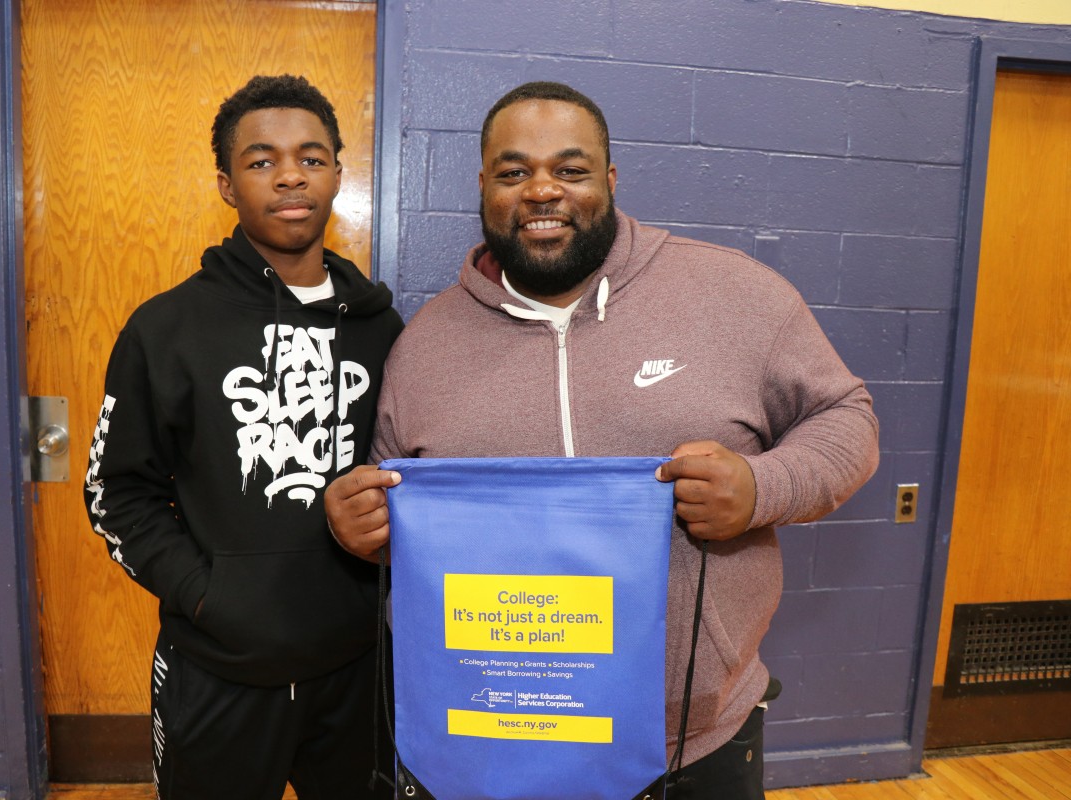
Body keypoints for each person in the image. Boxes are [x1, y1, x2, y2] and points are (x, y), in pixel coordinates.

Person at [324, 81, 879, 799]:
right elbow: (392, 501)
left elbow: (848, 417)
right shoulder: (424, 345)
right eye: (514, 171)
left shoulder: (737, 295)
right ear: (484, 187)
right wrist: (362, 525)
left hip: (694, 738)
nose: (542, 190)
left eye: (571, 169)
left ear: (610, 180)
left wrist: (760, 488)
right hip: (492, 736)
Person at [84, 74, 403, 800]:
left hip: (357, 668)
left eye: (311, 157)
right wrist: (204, 596)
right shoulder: (166, 328)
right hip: (216, 672)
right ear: (227, 185)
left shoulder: (384, 329)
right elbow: (115, 490)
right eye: (262, 161)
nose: (290, 174)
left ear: (336, 176)